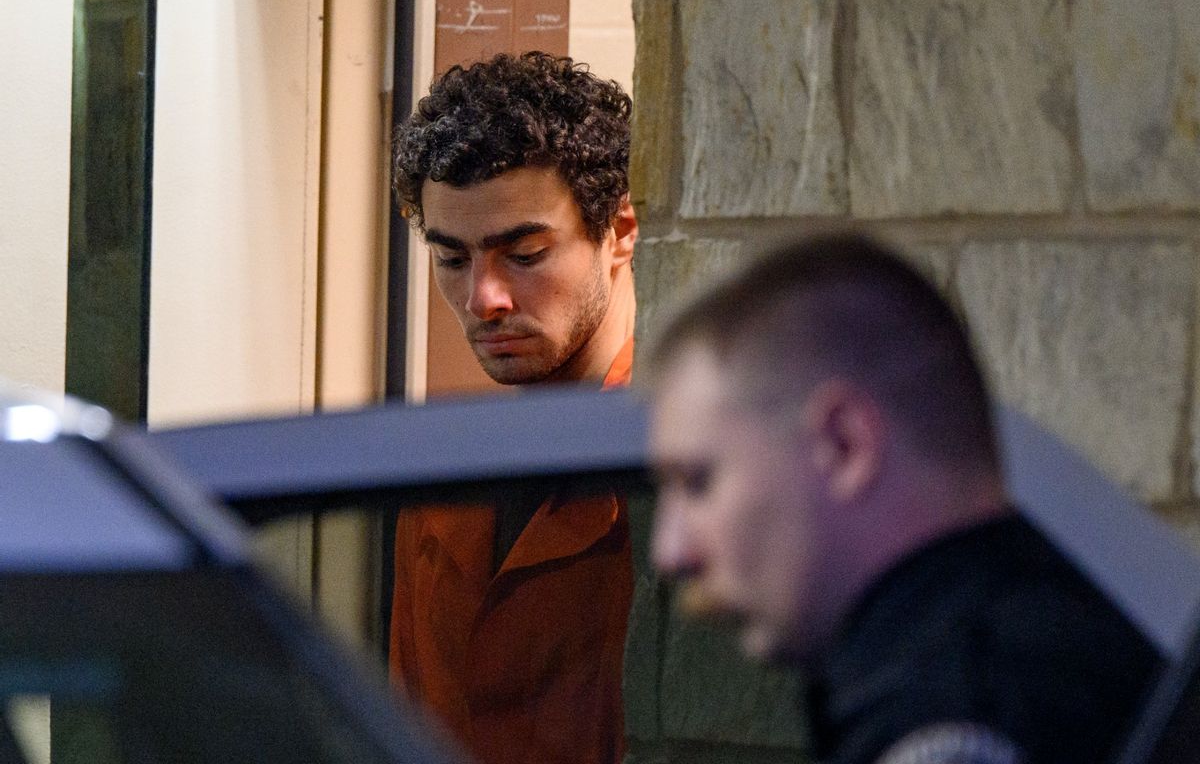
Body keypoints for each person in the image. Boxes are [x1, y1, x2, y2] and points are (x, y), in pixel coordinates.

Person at [647, 234, 1163, 764]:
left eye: (698, 482)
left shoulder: (954, 721)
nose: (671, 551)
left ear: (843, 444)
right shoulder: (1057, 647)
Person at [389, 51, 637, 764]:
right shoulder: (440, 478)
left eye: (524, 255)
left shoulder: (675, 472)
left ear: (619, 233)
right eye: (452, 259)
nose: (483, 300)